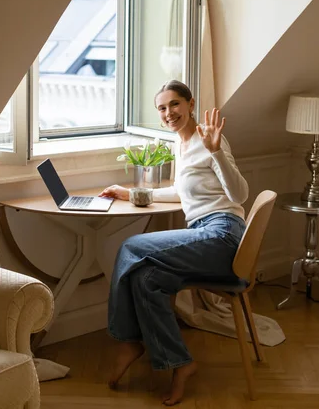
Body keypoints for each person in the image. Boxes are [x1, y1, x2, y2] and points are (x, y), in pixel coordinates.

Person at [99, 80, 248, 405]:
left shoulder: (209, 141)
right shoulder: (180, 144)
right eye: (162, 108)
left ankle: (127, 341)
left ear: (191, 104)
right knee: (145, 280)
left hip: (223, 234)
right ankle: (181, 363)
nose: (169, 113)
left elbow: (240, 195)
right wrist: (133, 194)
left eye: (175, 105)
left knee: (130, 246)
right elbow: (183, 193)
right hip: (202, 235)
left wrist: (217, 151)